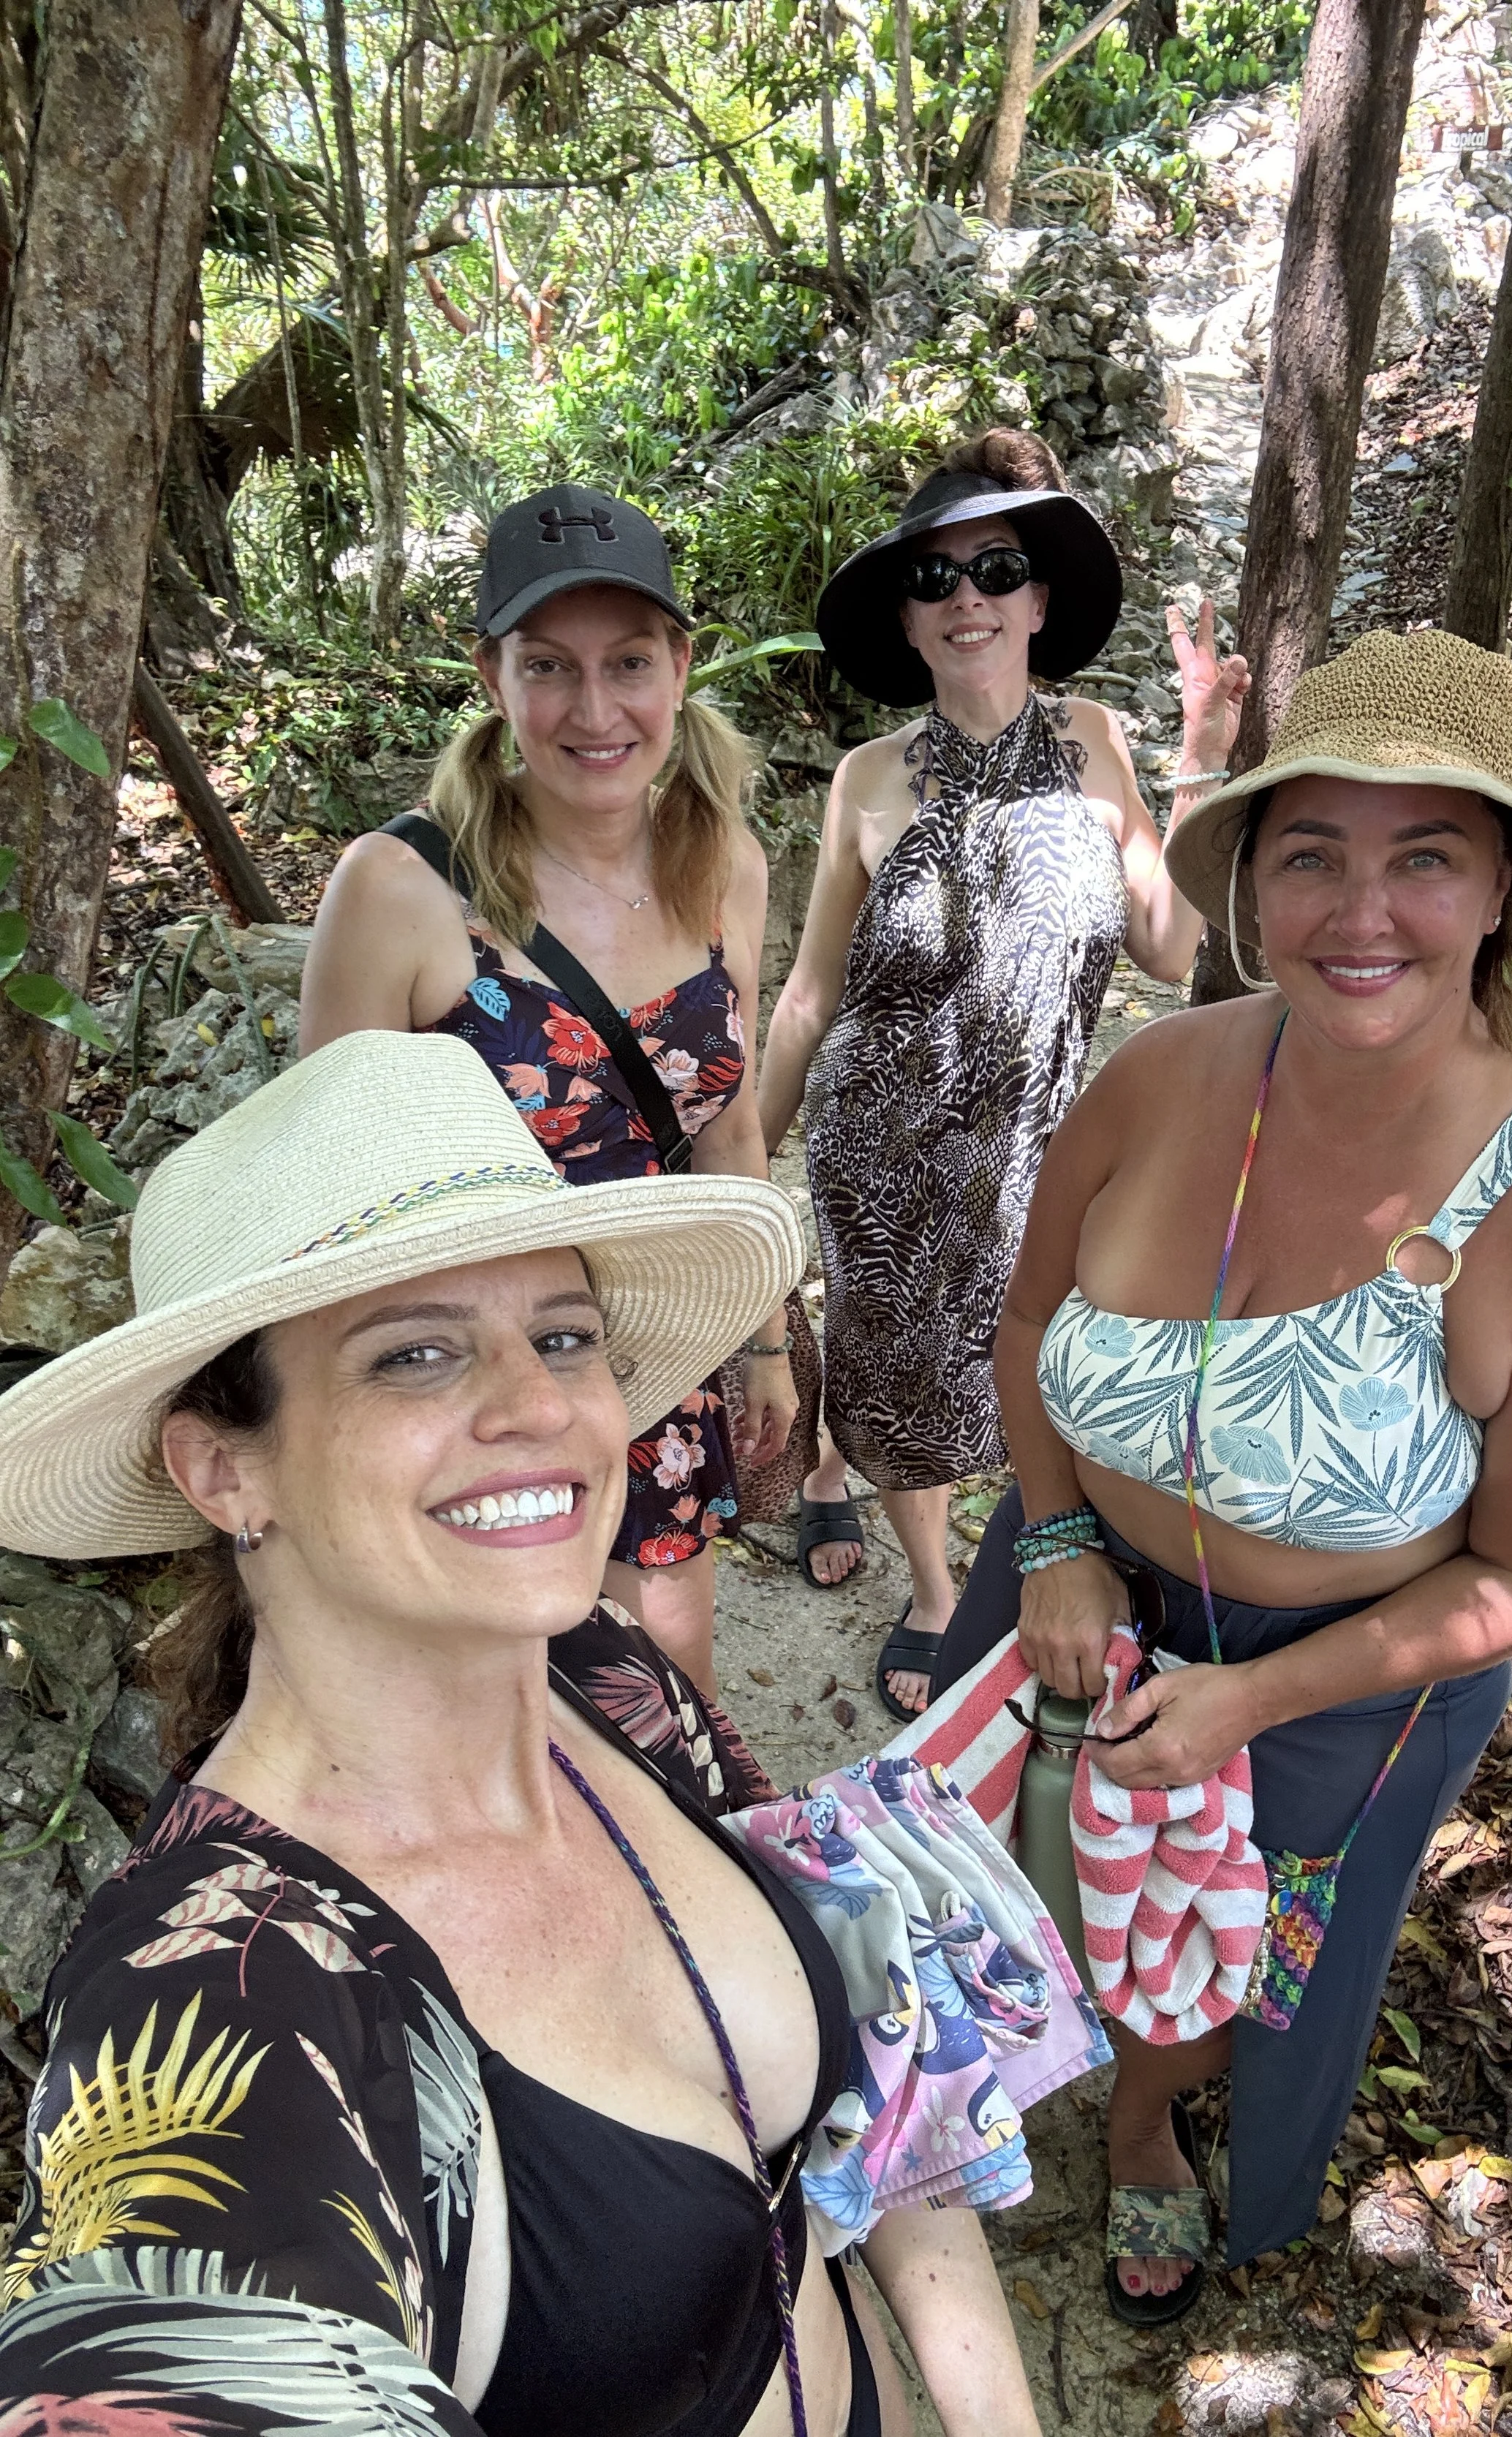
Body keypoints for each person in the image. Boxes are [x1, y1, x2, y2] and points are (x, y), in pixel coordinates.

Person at [0, 1029, 1043, 2437]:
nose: (543, 1405)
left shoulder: (607, 1680)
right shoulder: (215, 1996)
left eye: (562, 1335)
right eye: (416, 1356)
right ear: (221, 1467)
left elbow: (877, 2085)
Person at [927, 628, 1512, 2321]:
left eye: (1423, 857)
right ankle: (971, 2084)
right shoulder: (1157, 1077)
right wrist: (1049, 1535)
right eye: (1310, 851)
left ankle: (1142, 2123)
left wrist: (1250, 1708)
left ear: (1495, 895)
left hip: (1342, 1683)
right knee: (1007, 1868)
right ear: (1249, 879)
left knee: (1222, 1958)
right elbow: (1031, 1309)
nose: (1360, 911)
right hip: (1073, 1576)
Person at [757, 428, 1249, 1719]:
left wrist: (1199, 745)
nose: (965, 596)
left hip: (1033, 1149)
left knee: (1000, 1376)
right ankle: (927, 1587)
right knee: (898, 1373)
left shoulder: (1094, 743)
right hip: (878, 1144)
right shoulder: (867, 780)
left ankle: (829, 1469)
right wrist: (743, 1153)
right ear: (910, 627)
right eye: (934, 579)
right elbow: (812, 988)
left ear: (1039, 602)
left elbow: (1170, 941)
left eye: (996, 568)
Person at [301, 485, 793, 1696]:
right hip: (461, 1372)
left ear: (680, 665)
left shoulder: (724, 860)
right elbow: (325, 1191)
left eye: (629, 663)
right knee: (493, 1692)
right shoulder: (399, 890)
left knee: (666, 1690)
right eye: (549, 667)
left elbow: (729, 1126)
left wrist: (766, 1342)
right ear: (492, 676)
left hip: (648, 1345)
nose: (594, 710)